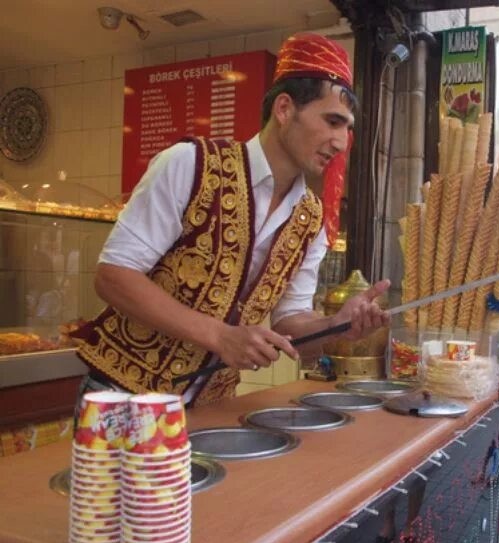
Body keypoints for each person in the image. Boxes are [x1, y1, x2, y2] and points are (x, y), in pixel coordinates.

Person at [71, 34, 389, 406]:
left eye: (348, 128)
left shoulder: (311, 218)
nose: (340, 142)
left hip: (212, 406)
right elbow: (114, 276)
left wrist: (334, 327)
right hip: (124, 396)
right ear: (284, 109)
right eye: (333, 121)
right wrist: (220, 336)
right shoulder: (190, 165)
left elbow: (289, 323)